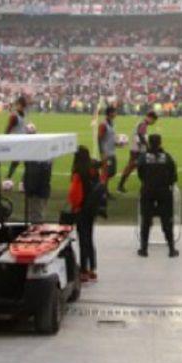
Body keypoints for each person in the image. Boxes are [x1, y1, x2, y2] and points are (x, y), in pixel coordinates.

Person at [136, 133, 178, 257]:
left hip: (148, 190)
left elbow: (140, 173)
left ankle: (144, 249)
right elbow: (174, 176)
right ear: (160, 143)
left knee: (146, 220)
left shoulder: (144, 157)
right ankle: (171, 248)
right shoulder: (167, 157)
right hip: (164, 192)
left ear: (149, 143)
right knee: (167, 221)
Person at [67, 146, 101, 282]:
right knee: (90, 238)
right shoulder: (93, 170)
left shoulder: (78, 172)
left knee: (83, 239)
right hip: (92, 208)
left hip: (81, 209)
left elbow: (74, 193)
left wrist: (74, 206)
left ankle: (83, 270)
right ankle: (92, 268)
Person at [117, 110, 157, 193]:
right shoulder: (143, 124)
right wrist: (147, 146)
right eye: (153, 120)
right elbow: (140, 135)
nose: (153, 123)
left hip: (136, 148)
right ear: (150, 118)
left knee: (138, 167)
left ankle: (145, 185)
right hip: (137, 149)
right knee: (133, 166)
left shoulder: (142, 123)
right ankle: (120, 186)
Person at [22, 125, 52, 222]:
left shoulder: (33, 152)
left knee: (36, 217)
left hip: (36, 191)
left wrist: (29, 189)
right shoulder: (44, 148)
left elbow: (33, 173)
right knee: (40, 214)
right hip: (44, 189)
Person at [5, 96, 30, 178]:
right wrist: (4, 139)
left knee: (25, 161)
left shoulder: (23, 115)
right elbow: (8, 129)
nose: (22, 107)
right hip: (17, 141)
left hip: (23, 140)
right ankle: (9, 178)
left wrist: (28, 130)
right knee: (19, 161)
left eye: (24, 106)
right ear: (17, 105)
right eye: (21, 105)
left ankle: (16, 179)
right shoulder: (14, 116)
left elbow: (22, 127)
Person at [96, 105, 118, 183]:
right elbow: (99, 138)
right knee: (106, 172)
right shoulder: (103, 124)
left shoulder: (112, 123)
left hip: (112, 151)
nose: (116, 114)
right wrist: (102, 153)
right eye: (115, 112)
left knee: (112, 171)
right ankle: (102, 191)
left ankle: (104, 190)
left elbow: (110, 137)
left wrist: (117, 143)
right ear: (110, 113)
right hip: (106, 153)